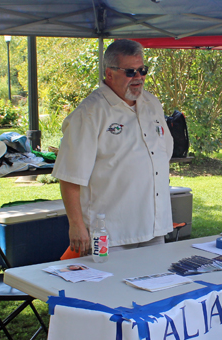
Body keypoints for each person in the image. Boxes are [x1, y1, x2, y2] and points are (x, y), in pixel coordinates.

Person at [53, 40, 173, 256]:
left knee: (156, 285)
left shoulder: (152, 104)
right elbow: (70, 176)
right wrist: (76, 225)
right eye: (130, 72)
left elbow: (164, 152)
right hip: (111, 232)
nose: (138, 78)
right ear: (109, 74)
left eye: (142, 70)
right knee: (113, 289)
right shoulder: (90, 113)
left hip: (155, 225)